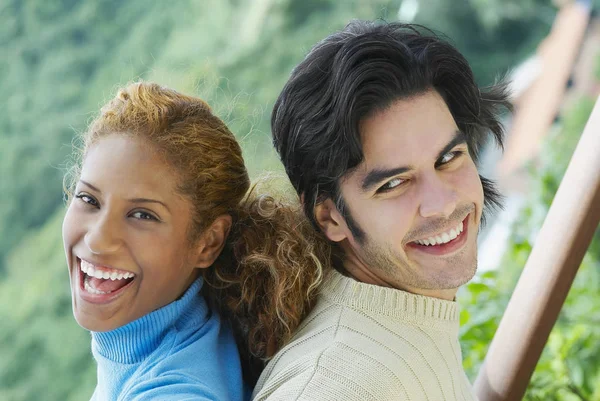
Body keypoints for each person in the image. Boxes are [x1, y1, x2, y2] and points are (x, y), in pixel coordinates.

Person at [252, 20, 511, 401]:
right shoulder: (338, 387)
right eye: (393, 184)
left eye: (448, 158)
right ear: (330, 217)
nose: (442, 203)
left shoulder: (404, 324)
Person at [62, 82, 330, 400]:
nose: (97, 240)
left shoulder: (177, 391)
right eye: (88, 199)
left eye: (143, 215)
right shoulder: (188, 332)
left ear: (208, 243)